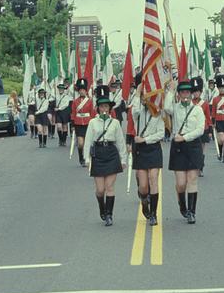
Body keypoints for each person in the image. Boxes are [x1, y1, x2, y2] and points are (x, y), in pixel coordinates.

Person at [83, 85, 127, 226]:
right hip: (98, 154)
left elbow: (120, 141)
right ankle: (102, 208)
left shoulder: (115, 123)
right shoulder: (92, 122)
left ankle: (109, 214)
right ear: (98, 108)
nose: (104, 109)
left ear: (109, 108)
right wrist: (87, 159)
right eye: (101, 107)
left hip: (111, 153)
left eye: (106, 107)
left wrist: (123, 158)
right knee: (100, 190)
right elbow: (88, 141)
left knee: (110, 187)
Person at [164, 79, 205, 224]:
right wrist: (171, 90)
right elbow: (166, 107)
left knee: (192, 180)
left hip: (193, 146)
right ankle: (182, 204)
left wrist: (185, 137)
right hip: (179, 148)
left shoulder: (198, 110)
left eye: (188, 92)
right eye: (182, 92)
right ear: (179, 94)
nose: (185, 94)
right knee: (181, 183)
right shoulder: (175, 108)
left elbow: (200, 129)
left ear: (191, 94)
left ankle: (192, 212)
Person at [131, 82, 165, 226]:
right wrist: (138, 93)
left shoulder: (158, 113)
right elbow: (134, 110)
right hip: (140, 150)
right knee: (143, 187)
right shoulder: (138, 113)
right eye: (144, 97)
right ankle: (144, 202)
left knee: (153, 180)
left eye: (148, 96)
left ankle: (153, 214)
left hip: (153, 148)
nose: (146, 99)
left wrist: (145, 139)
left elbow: (161, 133)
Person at [71, 78, 97, 166]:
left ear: (86, 91)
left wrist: (94, 124)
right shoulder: (75, 102)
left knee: (88, 143)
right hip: (78, 123)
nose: (82, 92)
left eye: (83, 90)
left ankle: (87, 158)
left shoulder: (90, 101)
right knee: (80, 144)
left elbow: (92, 113)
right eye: (80, 90)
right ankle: (81, 158)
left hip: (88, 123)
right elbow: (73, 113)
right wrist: (73, 124)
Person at [191, 76, 212, 176]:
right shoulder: (190, 103)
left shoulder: (205, 104)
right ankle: (194, 167)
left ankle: (200, 168)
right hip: (192, 129)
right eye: (194, 91)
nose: (196, 93)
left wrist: (210, 131)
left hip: (203, 129)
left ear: (200, 92)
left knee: (202, 151)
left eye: (198, 91)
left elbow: (208, 118)